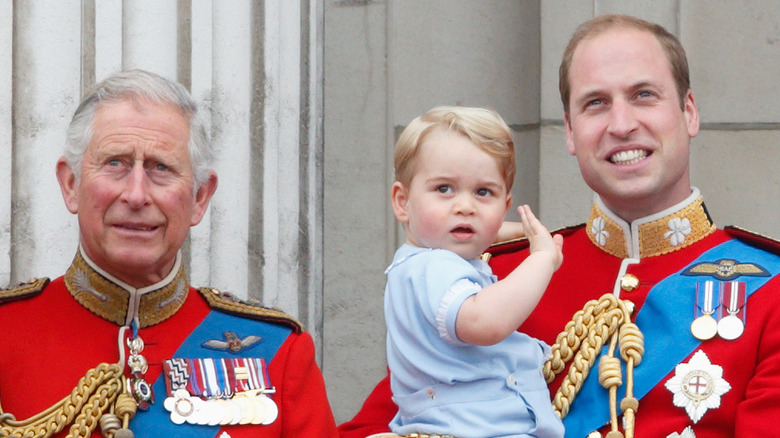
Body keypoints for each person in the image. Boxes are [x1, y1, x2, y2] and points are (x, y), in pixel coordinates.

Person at [339, 14, 780, 438]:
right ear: (570, 131)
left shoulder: (770, 291)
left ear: (688, 112)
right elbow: (390, 420)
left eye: (644, 95)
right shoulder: (496, 277)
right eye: (596, 103)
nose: (622, 124)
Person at [0, 69, 338, 437]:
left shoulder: (279, 352)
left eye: (161, 168)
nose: (136, 194)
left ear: (199, 198)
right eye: (115, 163)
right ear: (70, 185)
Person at [385, 106, 564, 437]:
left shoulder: (420, 260)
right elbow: (484, 323)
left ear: (504, 206)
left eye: (484, 193)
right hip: (476, 428)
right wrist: (541, 258)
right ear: (402, 201)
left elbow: (468, 229)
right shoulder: (432, 266)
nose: (465, 206)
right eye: (444, 189)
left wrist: (503, 230)